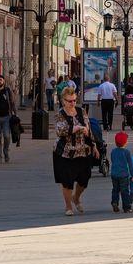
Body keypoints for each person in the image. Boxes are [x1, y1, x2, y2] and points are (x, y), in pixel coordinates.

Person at [53, 87, 94, 215]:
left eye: (74, 100)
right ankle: (68, 206)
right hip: (65, 152)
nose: (73, 103)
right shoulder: (60, 114)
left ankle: (76, 197)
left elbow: (88, 128)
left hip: (82, 151)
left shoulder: (81, 111)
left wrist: (93, 143)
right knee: (67, 181)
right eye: (70, 101)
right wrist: (74, 128)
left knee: (84, 179)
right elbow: (60, 130)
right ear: (63, 101)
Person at [110, 131, 133, 213]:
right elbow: (130, 165)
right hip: (123, 175)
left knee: (115, 190)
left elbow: (113, 161)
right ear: (125, 142)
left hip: (114, 174)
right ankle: (126, 207)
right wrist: (132, 175)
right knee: (125, 191)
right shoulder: (126, 152)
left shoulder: (113, 151)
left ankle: (115, 202)